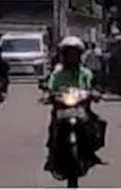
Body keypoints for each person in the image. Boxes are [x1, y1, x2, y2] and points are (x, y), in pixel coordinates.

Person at [43, 36, 105, 172]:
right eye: (68, 54)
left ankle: (91, 151)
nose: (71, 57)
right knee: (53, 127)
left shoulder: (85, 73)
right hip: (61, 108)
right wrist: (48, 95)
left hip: (81, 107)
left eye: (74, 54)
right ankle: (51, 155)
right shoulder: (57, 74)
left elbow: (93, 86)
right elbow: (50, 86)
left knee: (98, 123)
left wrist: (94, 93)